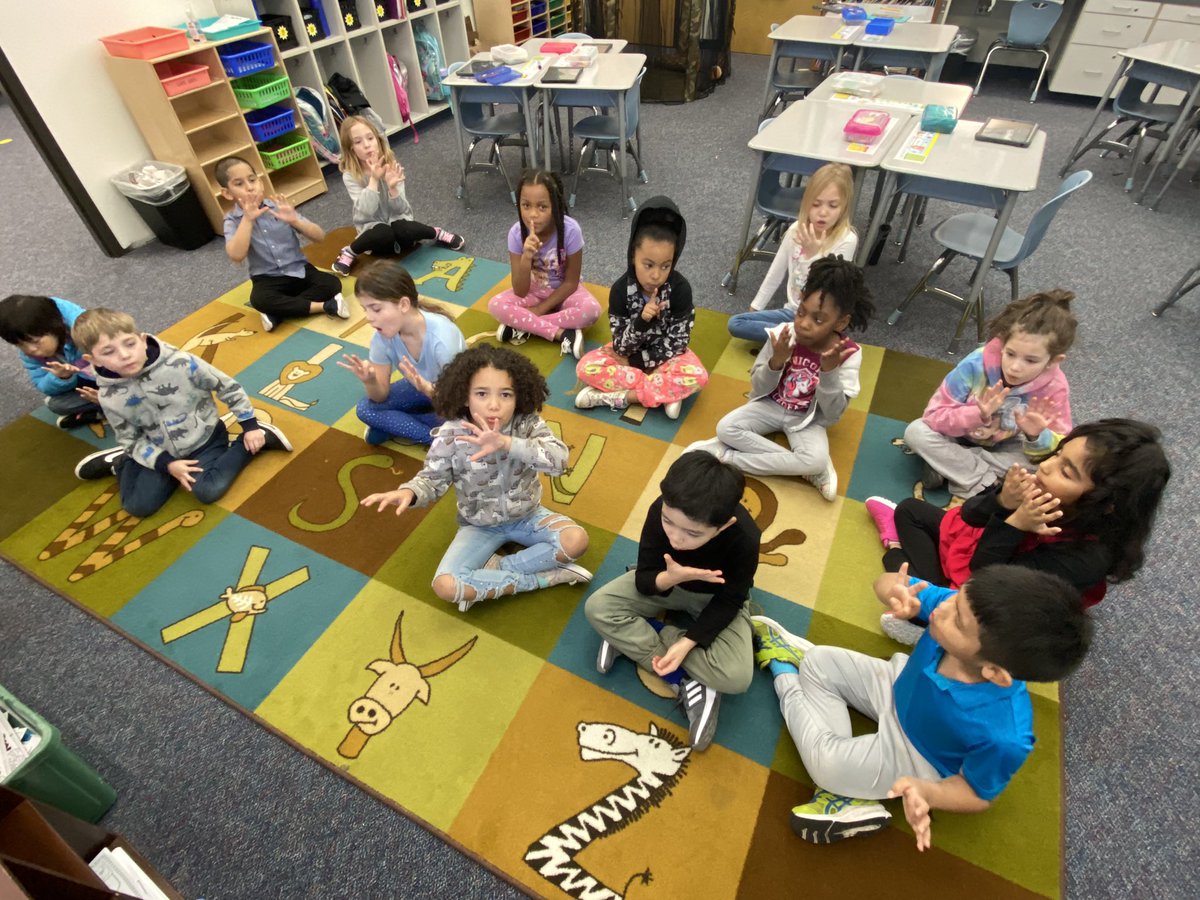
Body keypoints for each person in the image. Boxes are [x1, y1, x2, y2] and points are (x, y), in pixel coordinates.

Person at [751, 562, 1091, 848]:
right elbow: (887, 582)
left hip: (917, 755)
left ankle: (783, 675)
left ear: (994, 672)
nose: (941, 608)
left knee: (826, 764)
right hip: (897, 685)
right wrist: (894, 593)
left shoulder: (1005, 735)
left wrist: (927, 791)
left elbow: (977, 794)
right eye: (957, 596)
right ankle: (846, 790)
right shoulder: (960, 607)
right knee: (818, 660)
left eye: (957, 620)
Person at [865, 419, 1170, 643]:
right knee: (908, 510)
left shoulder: (1085, 556)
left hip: (1002, 592)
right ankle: (924, 583)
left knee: (899, 584)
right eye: (1058, 454)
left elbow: (986, 578)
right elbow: (970, 516)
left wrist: (1015, 523)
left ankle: (918, 600)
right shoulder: (1043, 489)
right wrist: (1001, 499)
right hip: (984, 550)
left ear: (1105, 503)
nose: (1047, 466)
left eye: (1066, 471)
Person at [360, 345, 591, 612]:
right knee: (446, 586)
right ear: (465, 397)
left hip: (528, 516)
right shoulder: (450, 434)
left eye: (506, 394)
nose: (494, 404)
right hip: (478, 525)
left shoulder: (527, 423)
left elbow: (559, 461)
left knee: (576, 541)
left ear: (519, 397)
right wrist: (409, 493)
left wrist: (507, 443)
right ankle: (544, 578)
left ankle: (497, 570)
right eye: (482, 394)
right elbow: (432, 480)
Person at [585, 451, 760, 751]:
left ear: (724, 526)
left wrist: (687, 641)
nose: (676, 538)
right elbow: (645, 578)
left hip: (713, 598)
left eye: (693, 533)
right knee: (597, 607)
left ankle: (639, 632)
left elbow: (731, 599)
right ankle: (684, 678)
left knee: (737, 677)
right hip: (666, 583)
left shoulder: (745, 536)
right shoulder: (661, 509)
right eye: (669, 521)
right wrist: (673, 578)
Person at [70, 309, 291, 516]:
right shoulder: (109, 396)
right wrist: (166, 464)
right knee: (137, 506)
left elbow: (227, 386)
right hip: (159, 450)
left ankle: (257, 437)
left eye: (130, 344)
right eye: (109, 352)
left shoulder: (182, 363)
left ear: (143, 340)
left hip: (205, 438)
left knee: (207, 491)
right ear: (93, 360)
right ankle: (121, 462)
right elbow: (130, 438)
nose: (125, 355)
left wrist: (249, 425)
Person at [689, 256, 874, 501]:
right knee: (725, 428)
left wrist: (829, 374)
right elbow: (757, 388)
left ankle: (727, 458)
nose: (804, 324)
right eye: (801, 313)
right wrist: (777, 361)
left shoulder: (849, 355)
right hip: (770, 405)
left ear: (841, 322)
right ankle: (808, 470)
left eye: (818, 320)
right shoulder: (783, 334)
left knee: (815, 458)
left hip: (808, 420)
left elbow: (832, 416)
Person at [903, 290, 1077, 504]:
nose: (1015, 367)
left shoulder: (1056, 387)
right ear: (1002, 343)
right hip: (957, 436)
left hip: (1008, 446)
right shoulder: (975, 364)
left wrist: (1036, 436)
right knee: (916, 432)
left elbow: (1061, 449)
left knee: (1045, 468)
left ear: (1053, 360)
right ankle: (985, 482)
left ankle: (951, 467)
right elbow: (934, 416)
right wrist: (977, 413)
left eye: (1031, 361)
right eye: (1010, 353)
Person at [573, 196, 708, 420]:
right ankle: (666, 394)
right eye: (648, 265)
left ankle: (617, 398)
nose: (656, 275)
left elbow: (677, 343)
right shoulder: (620, 290)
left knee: (698, 376)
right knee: (586, 367)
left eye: (666, 266)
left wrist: (637, 363)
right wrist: (642, 322)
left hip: (665, 357)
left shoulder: (680, 289)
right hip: (631, 355)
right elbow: (621, 347)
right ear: (633, 255)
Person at [337, 260, 465, 445]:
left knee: (463, 421)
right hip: (421, 387)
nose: (368, 318)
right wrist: (370, 381)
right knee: (365, 409)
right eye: (365, 309)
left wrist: (427, 389)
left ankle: (407, 429)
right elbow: (379, 396)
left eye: (376, 309)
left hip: (456, 397)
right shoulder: (382, 337)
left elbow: (459, 403)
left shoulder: (443, 340)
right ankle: (437, 438)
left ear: (403, 304)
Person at [727, 163, 859, 342]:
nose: (823, 212)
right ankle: (795, 340)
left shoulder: (847, 239)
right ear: (806, 203)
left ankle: (795, 339)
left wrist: (812, 257)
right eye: (816, 204)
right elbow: (776, 271)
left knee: (820, 329)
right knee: (737, 323)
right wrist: (756, 308)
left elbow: (829, 291)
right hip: (791, 313)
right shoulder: (796, 230)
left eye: (833, 205)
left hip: (819, 319)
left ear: (844, 208)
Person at [217, 155, 346, 333]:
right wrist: (247, 220)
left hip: (300, 270)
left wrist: (295, 221)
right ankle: (324, 306)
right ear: (227, 193)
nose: (249, 187)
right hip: (267, 278)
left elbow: (320, 236)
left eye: (252, 180)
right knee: (260, 300)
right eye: (239, 184)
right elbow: (236, 255)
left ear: (260, 182)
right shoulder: (232, 220)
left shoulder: (278, 207)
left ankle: (278, 313)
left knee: (332, 284)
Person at [330, 115, 464, 276]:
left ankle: (437, 233)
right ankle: (350, 252)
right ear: (351, 149)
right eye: (358, 142)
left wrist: (392, 188)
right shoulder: (351, 175)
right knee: (383, 233)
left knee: (403, 228)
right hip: (373, 229)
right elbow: (365, 212)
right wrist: (374, 180)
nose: (366, 145)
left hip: (398, 224)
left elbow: (403, 209)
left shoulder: (391, 165)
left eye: (370, 138)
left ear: (378, 140)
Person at [488, 168, 601, 359]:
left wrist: (539, 311)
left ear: (555, 206)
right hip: (533, 291)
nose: (533, 214)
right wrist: (525, 258)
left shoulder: (571, 230)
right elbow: (520, 291)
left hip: (565, 292)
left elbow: (571, 282)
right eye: (526, 205)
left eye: (542, 207)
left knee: (591, 311)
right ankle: (562, 334)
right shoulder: (516, 233)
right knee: (495, 305)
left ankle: (524, 325)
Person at [0, 294, 104, 429]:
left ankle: (107, 409)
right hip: (92, 385)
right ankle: (108, 408)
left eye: (35, 342)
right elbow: (43, 385)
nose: (30, 350)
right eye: (19, 345)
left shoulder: (89, 333)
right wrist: (61, 377)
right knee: (55, 404)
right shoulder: (30, 354)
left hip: (119, 379)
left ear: (54, 327)